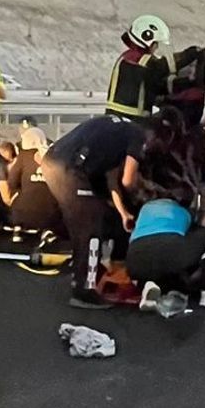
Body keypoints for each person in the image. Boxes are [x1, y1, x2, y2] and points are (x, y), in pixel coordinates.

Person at [41, 115, 150, 309]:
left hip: (52, 162)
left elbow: (111, 181)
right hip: (72, 169)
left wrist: (123, 213)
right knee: (92, 227)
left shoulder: (115, 133)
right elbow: (127, 180)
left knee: (80, 224)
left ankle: (79, 276)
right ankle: (85, 290)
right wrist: (144, 193)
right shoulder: (139, 134)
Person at [128, 195, 205, 310]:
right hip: (171, 251)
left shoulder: (144, 212)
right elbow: (195, 227)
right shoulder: (181, 211)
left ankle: (149, 284)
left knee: (156, 261)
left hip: (134, 264)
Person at [105, 15, 204, 121]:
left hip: (123, 118)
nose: (156, 47)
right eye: (156, 43)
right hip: (127, 118)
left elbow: (158, 85)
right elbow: (162, 66)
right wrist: (191, 54)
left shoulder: (128, 58)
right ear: (147, 38)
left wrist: (188, 82)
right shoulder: (136, 59)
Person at [7, 126, 62, 234]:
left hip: (23, 214)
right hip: (51, 215)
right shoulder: (54, 156)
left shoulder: (23, 156)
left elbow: (12, 181)